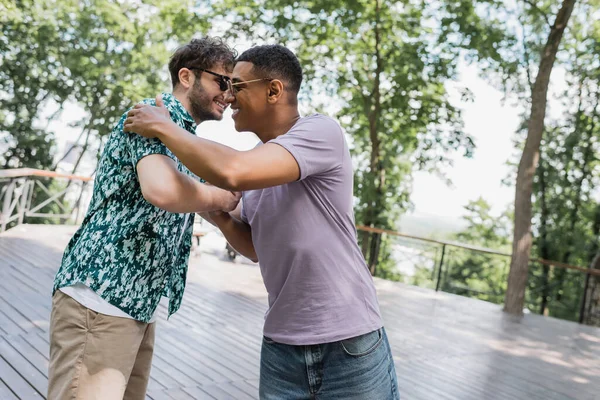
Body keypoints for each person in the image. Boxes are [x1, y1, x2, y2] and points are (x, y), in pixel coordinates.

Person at [124, 44, 399, 399]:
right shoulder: (258, 164)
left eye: (237, 86)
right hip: (281, 348)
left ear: (273, 90)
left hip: (348, 344)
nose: (228, 96)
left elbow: (232, 172)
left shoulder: (320, 132)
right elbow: (255, 246)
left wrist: (164, 128)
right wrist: (218, 214)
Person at [48, 37, 240, 400]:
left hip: (136, 304)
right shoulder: (151, 115)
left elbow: (197, 198)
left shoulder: (180, 134)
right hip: (100, 297)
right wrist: (221, 197)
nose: (229, 95)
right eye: (222, 81)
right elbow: (163, 190)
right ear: (187, 77)